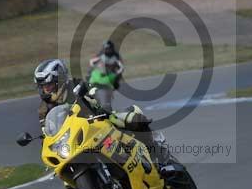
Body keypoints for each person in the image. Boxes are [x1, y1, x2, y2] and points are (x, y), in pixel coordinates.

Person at [34, 59, 169, 171]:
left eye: (49, 85)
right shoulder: (43, 110)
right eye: (43, 86)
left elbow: (98, 90)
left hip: (100, 121)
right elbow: (47, 133)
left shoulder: (76, 85)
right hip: (76, 140)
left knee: (133, 118)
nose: (46, 90)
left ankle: (157, 153)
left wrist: (103, 105)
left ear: (60, 78)